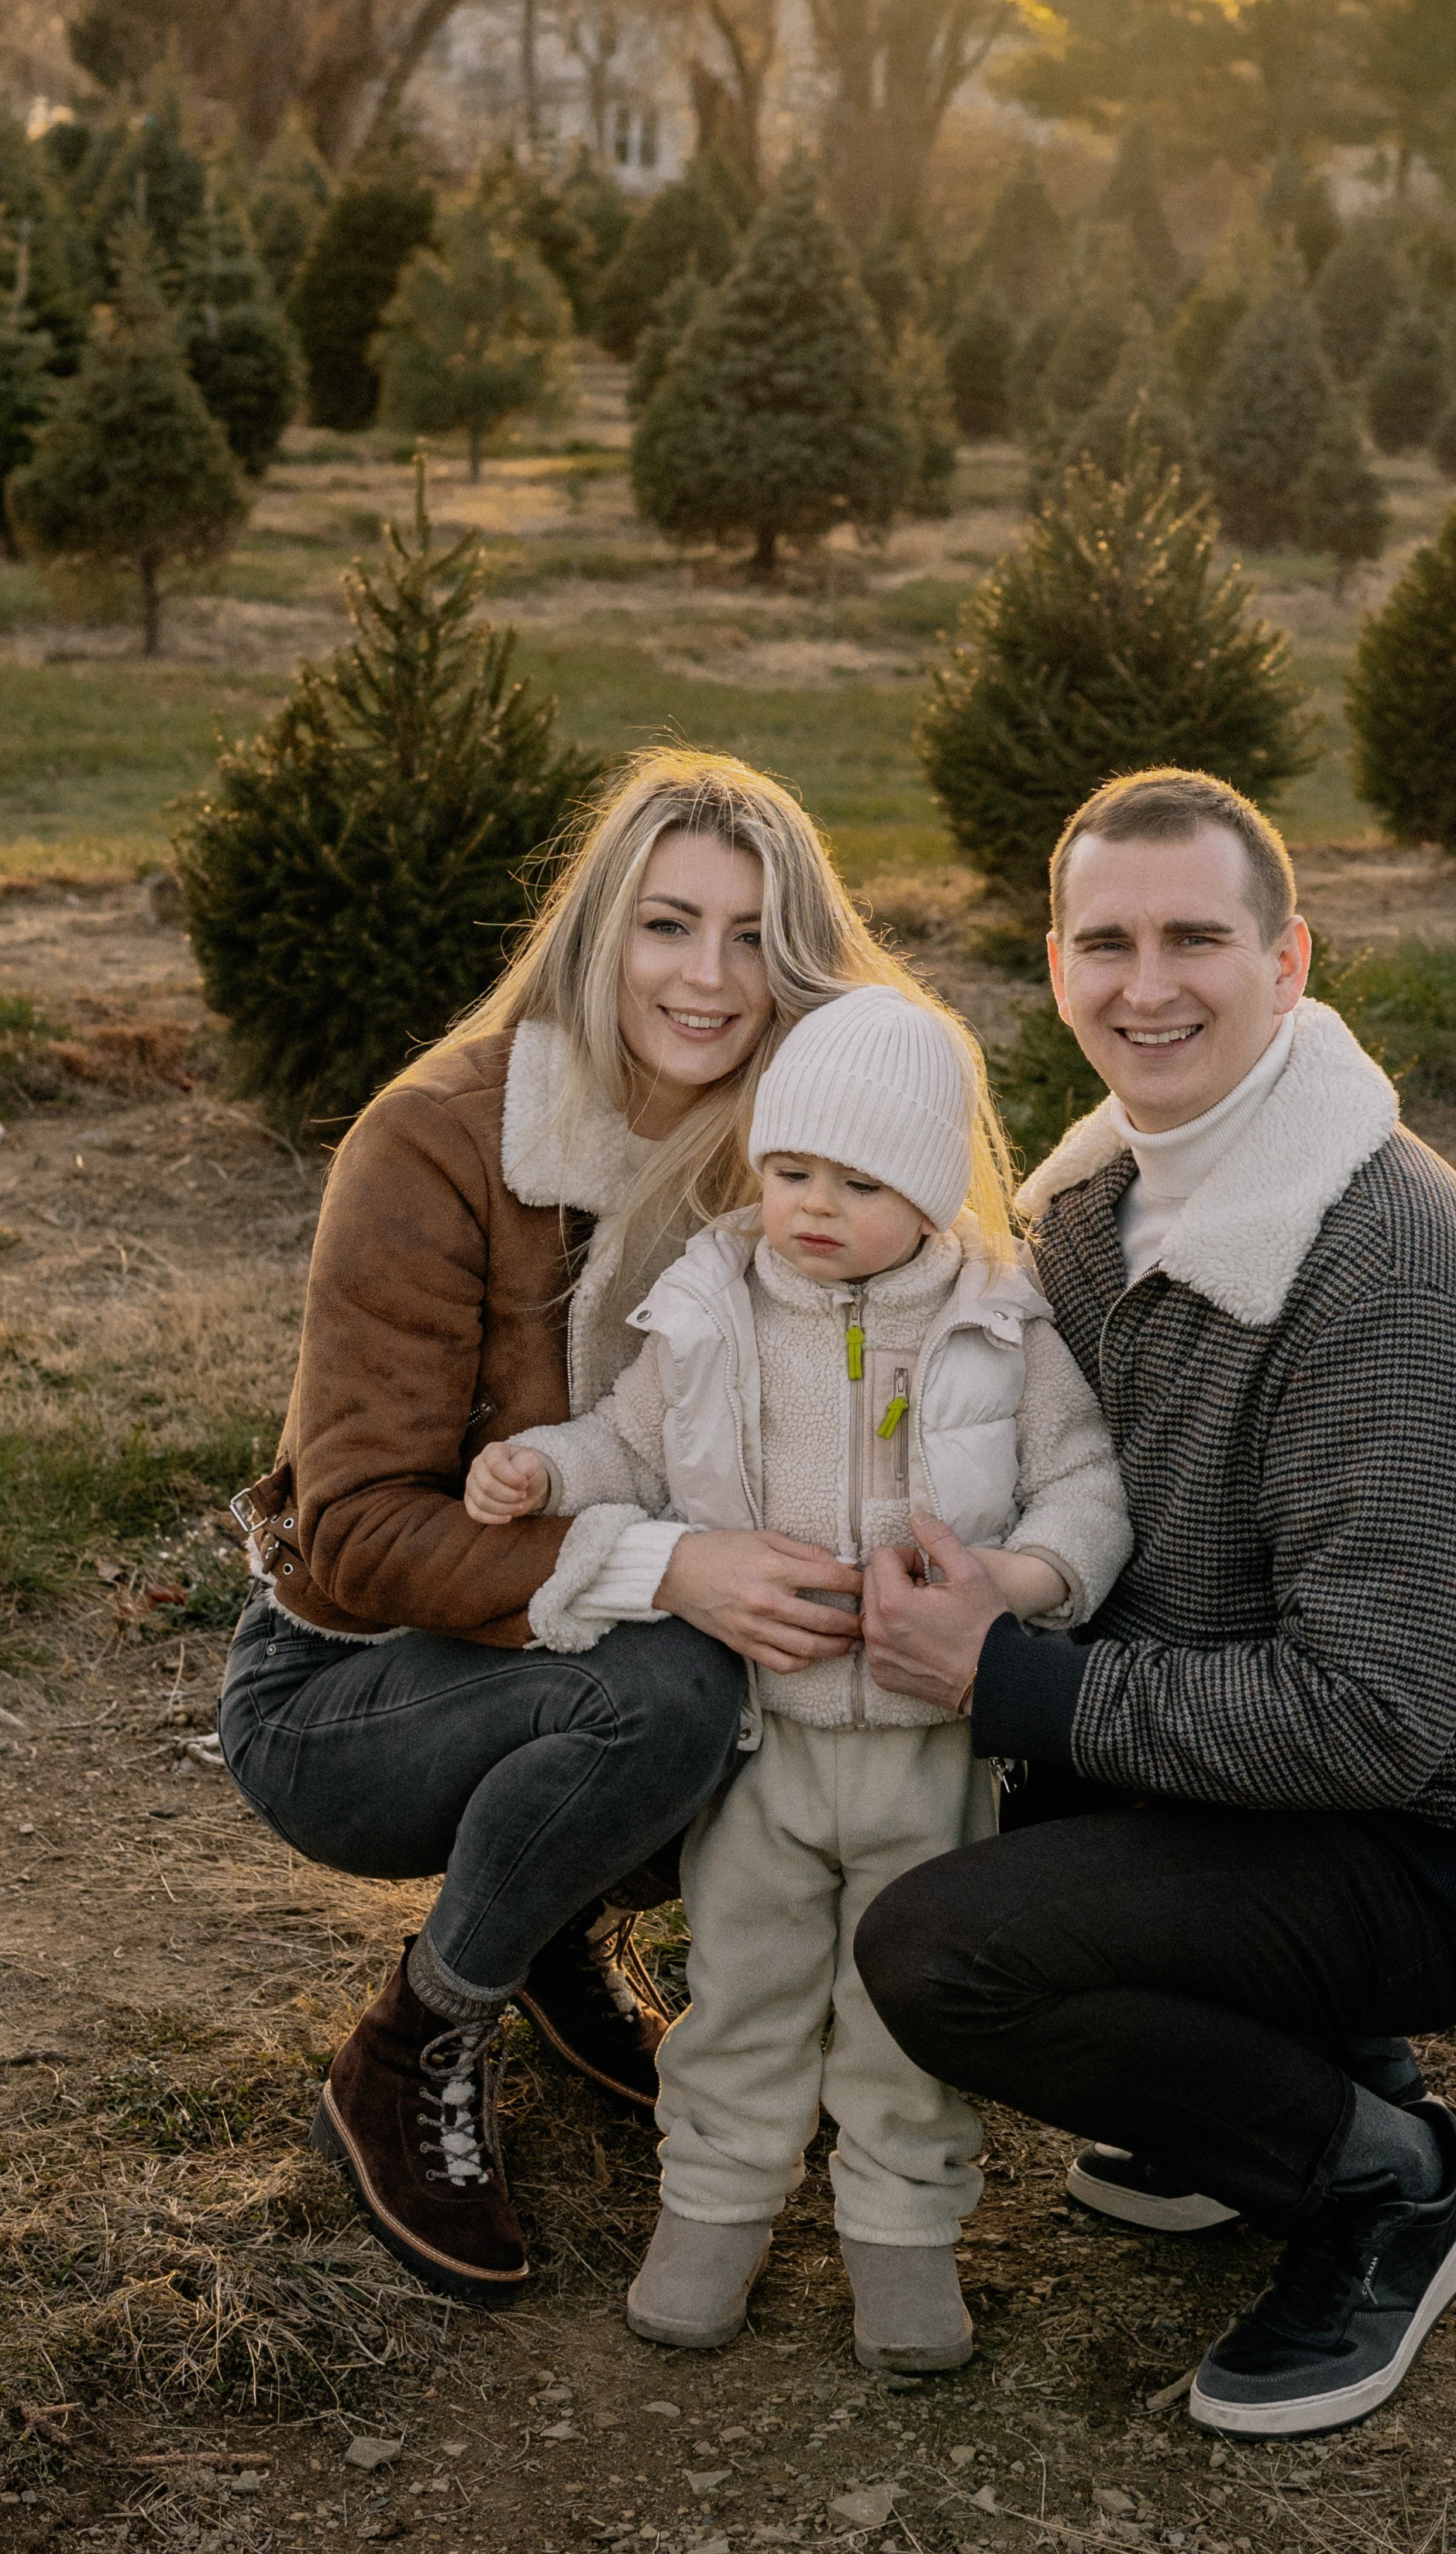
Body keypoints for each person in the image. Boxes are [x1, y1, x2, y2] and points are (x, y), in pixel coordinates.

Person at [853, 767, 1456, 2441]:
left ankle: (1384, 2179)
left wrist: (1011, 1676)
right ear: (1055, 965)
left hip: (1436, 1836)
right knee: (971, 1790)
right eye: (1105, 940)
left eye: (1197, 935)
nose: (1148, 982)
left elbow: (1371, 1715)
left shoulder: (1394, 1273)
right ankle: (1292, 2082)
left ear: (1291, 960)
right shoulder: (1096, 1201)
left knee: (940, 1950)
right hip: (1231, 1751)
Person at [217, 750, 927, 2306]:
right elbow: (350, 1534)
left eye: (753, 936)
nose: (710, 976)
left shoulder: (800, 1146)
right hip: (349, 1688)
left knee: (798, 1667)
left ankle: (547, 1926)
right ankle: (418, 2033)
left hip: (589, 1646)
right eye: (670, 924)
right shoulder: (441, 1142)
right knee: (675, 1684)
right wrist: (669, 1561)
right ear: (598, 929)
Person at [463, 984, 1131, 2372]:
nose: (815, 1206)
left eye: (861, 1180)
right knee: (748, 1990)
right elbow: (629, 1441)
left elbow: (1086, 1489)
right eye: (791, 1171)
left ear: (937, 1191)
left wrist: (1018, 1586)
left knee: (901, 2014)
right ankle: (712, 2209)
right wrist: (548, 1469)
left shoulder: (1002, 1324)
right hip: (763, 1744)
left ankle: (902, 2234)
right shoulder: (715, 1305)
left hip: (932, 1752)